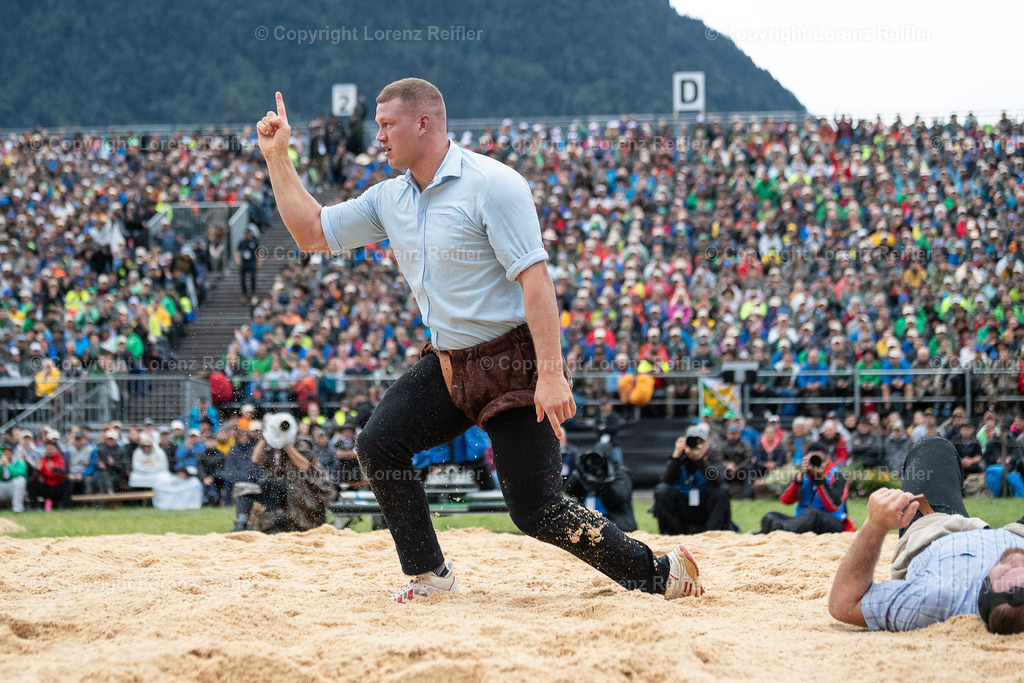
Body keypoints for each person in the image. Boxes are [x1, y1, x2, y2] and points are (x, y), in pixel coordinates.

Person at [257, 79, 703, 602]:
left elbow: (535, 281)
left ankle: (662, 571)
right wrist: (277, 157)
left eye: (386, 124)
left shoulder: (493, 184)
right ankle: (430, 576)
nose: (377, 136)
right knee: (379, 444)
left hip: (515, 363)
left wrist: (552, 372)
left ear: (423, 123)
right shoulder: (389, 197)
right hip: (450, 364)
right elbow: (311, 233)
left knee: (537, 509)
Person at [828, 437, 1024, 634]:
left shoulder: (932, 599)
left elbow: (844, 604)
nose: (1015, 559)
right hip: (1018, 534)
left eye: (1006, 570)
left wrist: (874, 526)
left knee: (932, 447)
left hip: (935, 530)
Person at [233, 436, 335, 533]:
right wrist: (264, 438)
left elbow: (304, 466)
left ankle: (279, 522)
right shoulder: (271, 447)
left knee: (271, 484)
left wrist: (287, 445)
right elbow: (255, 459)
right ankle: (241, 524)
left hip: (303, 494)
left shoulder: (300, 443)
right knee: (243, 488)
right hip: (276, 491)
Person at [652, 422, 731, 534]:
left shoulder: (713, 455)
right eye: (692, 441)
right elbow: (666, 481)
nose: (695, 445)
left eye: (700, 441)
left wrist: (699, 461)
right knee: (662, 490)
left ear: (707, 444)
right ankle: (673, 534)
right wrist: (675, 456)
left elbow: (719, 480)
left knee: (722, 490)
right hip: (683, 505)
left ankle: (711, 533)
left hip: (704, 506)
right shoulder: (679, 456)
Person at [760, 441, 853, 534]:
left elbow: (834, 506)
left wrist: (820, 479)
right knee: (771, 516)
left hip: (831, 521)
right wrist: (798, 480)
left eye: (818, 459)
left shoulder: (837, 476)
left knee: (813, 514)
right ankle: (780, 527)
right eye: (811, 459)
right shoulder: (803, 476)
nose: (814, 462)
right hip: (802, 520)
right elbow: (785, 500)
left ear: (827, 459)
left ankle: (780, 529)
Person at [564, 442, 637, 532]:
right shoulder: (588, 471)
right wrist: (579, 472)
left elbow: (619, 498)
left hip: (614, 522)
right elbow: (569, 490)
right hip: (586, 520)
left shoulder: (620, 473)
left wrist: (604, 482)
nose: (598, 464)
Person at [0, 443, 28, 512]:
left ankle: (17, 508)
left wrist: (8, 465)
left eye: (9, 451)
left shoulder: (19, 462)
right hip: (2, 488)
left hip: (12, 490)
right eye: (5, 451)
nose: (7, 453)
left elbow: (20, 474)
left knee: (20, 480)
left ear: (13, 453)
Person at [236, 226, 260, 301]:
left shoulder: (255, 242)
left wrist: (259, 261)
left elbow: (259, 252)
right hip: (244, 263)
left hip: (252, 262)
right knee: (242, 278)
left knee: (253, 277)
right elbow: (237, 251)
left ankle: (253, 292)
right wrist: (238, 260)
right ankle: (244, 293)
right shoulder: (242, 242)